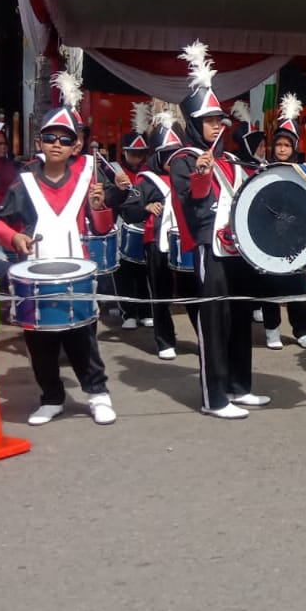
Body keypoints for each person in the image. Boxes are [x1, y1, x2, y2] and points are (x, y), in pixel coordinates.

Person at [0, 72, 123, 425]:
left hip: (77, 274)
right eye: (50, 138)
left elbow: (104, 226)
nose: (57, 144)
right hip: (37, 276)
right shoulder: (26, 181)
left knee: (83, 340)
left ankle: (98, 394)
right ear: (40, 141)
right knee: (40, 343)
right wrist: (14, 238)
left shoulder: (90, 175)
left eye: (65, 139)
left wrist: (100, 205)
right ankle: (51, 397)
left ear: (76, 145)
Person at [169, 44, 269, 418]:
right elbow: (190, 203)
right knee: (213, 323)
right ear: (194, 123)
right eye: (210, 120)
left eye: (219, 120)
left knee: (240, 319)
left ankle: (240, 386)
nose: (217, 126)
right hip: (208, 249)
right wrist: (201, 174)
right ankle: (215, 397)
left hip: (238, 250)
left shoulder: (229, 160)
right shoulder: (182, 159)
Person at [121, 109, 199, 360]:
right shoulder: (146, 180)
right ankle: (165, 340)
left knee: (193, 293)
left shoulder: (187, 176)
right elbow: (128, 209)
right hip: (156, 242)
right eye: (167, 156)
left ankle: (204, 335)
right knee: (161, 294)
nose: (172, 160)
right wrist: (144, 207)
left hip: (185, 241)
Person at [261, 95, 306, 351]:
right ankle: (272, 330)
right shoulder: (264, 171)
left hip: (296, 236)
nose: (282, 149)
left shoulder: (305, 172)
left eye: (287, 145)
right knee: (270, 285)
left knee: (296, 285)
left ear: (294, 147)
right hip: (270, 237)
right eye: (279, 144)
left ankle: (302, 329)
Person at [114, 111, 154, 330]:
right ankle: (127, 313)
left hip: (144, 227)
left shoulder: (149, 173)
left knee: (145, 274)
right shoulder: (116, 171)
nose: (137, 158)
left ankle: (147, 311)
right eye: (133, 154)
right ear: (125, 152)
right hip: (123, 227)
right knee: (124, 274)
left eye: (140, 154)